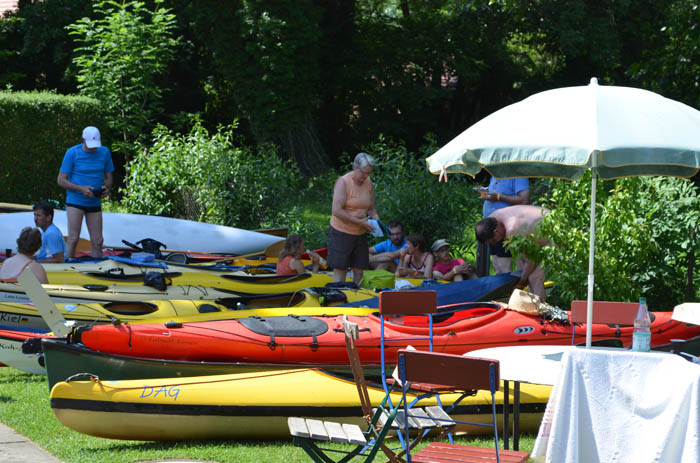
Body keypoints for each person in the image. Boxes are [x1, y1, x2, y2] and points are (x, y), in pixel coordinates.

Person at [57, 126, 114, 259]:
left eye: (95, 145)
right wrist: (80, 188)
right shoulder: (72, 153)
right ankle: (68, 268)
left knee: (98, 240)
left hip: (94, 201)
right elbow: (61, 180)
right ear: (83, 139)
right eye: (90, 145)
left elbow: (109, 179)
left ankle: (98, 269)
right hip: (75, 201)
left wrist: (105, 188)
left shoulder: (104, 152)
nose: (93, 148)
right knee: (73, 238)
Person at [475, 205, 550, 301]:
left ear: (496, 231)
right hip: (541, 235)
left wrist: (522, 282)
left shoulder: (512, 230)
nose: (497, 242)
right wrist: (522, 275)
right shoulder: (493, 218)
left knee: (535, 278)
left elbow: (530, 259)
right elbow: (521, 255)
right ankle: (531, 306)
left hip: (557, 235)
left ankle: (540, 313)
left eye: (494, 240)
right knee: (525, 273)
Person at [327, 152, 380, 285]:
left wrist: (377, 221)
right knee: (341, 269)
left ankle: (357, 299)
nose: (366, 176)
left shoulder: (368, 183)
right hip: (341, 231)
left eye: (369, 173)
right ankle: (337, 297)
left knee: (360, 269)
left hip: (360, 233)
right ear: (355, 167)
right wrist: (359, 222)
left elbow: (371, 208)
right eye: (364, 172)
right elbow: (336, 211)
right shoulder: (343, 182)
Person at [476, 176, 530, 274]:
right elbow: (495, 192)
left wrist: (498, 197)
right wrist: (485, 192)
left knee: (504, 265)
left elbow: (524, 200)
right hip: (490, 227)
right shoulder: (496, 174)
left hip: (505, 227)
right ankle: (502, 288)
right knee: (497, 264)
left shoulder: (518, 175)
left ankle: (511, 287)